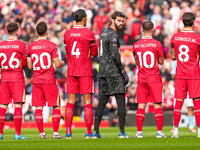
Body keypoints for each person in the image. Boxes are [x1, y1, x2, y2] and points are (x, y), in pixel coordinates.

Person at [92, 11, 130, 139]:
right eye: (119, 20)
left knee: (102, 101)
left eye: (122, 21)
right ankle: (121, 132)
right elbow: (114, 55)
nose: (121, 23)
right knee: (120, 100)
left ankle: (96, 132)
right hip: (113, 72)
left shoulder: (103, 33)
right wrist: (123, 71)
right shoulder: (113, 35)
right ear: (112, 20)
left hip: (102, 71)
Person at [63, 9, 98, 139]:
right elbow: (94, 53)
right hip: (85, 70)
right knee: (87, 101)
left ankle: (68, 132)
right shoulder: (89, 34)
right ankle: (88, 132)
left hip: (72, 70)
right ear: (84, 19)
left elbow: (67, 52)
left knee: (70, 101)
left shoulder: (67, 34)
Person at [27, 21, 65, 139]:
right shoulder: (51, 45)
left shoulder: (30, 46)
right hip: (49, 79)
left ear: (36, 32)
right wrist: (63, 62)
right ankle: (55, 133)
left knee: (39, 107)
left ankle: (42, 133)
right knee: (55, 106)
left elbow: (29, 66)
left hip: (37, 80)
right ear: (47, 32)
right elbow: (57, 64)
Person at [132, 20, 166, 138]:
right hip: (154, 77)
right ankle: (159, 133)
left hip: (142, 77)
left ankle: (139, 133)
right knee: (157, 105)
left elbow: (137, 62)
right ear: (153, 30)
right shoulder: (157, 44)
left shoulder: (136, 45)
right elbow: (161, 62)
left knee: (141, 105)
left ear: (142, 30)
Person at [170, 12, 200, 138]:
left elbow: (172, 56)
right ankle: (199, 131)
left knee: (178, 102)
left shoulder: (175, 37)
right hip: (194, 73)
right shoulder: (197, 38)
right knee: (197, 102)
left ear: (183, 22)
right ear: (193, 22)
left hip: (180, 74)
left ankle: (175, 131)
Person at [0, 23, 28, 140]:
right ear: (17, 32)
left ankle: (0, 133)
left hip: (4, 77)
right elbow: (25, 64)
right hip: (17, 77)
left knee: (2, 106)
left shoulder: (0, 45)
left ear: (7, 31)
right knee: (17, 105)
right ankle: (17, 133)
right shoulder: (21, 45)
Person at [170, 60, 196, 133]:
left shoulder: (192, 62)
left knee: (190, 107)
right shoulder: (176, 63)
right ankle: (175, 126)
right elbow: (172, 76)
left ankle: (191, 126)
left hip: (189, 87)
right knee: (177, 107)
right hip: (179, 87)